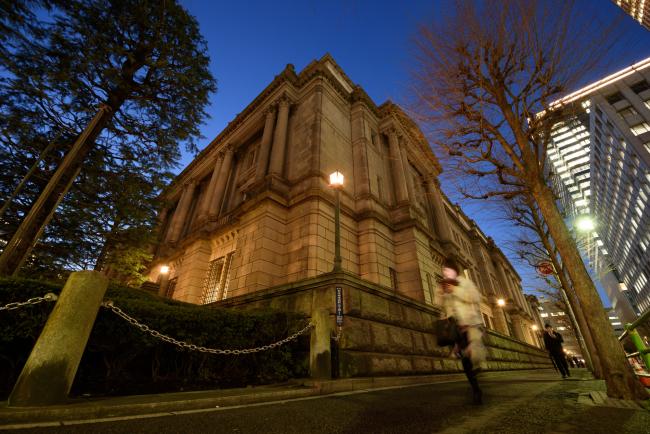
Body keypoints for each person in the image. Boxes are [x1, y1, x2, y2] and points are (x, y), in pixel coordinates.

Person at [440, 258, 486, 404]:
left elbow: (475, 298)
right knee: (465, 361)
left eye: (447, 270)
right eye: (444, 270)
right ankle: (476, 389)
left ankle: (477, 369)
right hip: (455, 326)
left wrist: (456, 291)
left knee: (472, 356)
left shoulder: (465, 283)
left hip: (468, 324)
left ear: (455, 270)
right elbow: (442, 305)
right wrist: (442, 294)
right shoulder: (444, 284)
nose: (445, 272)